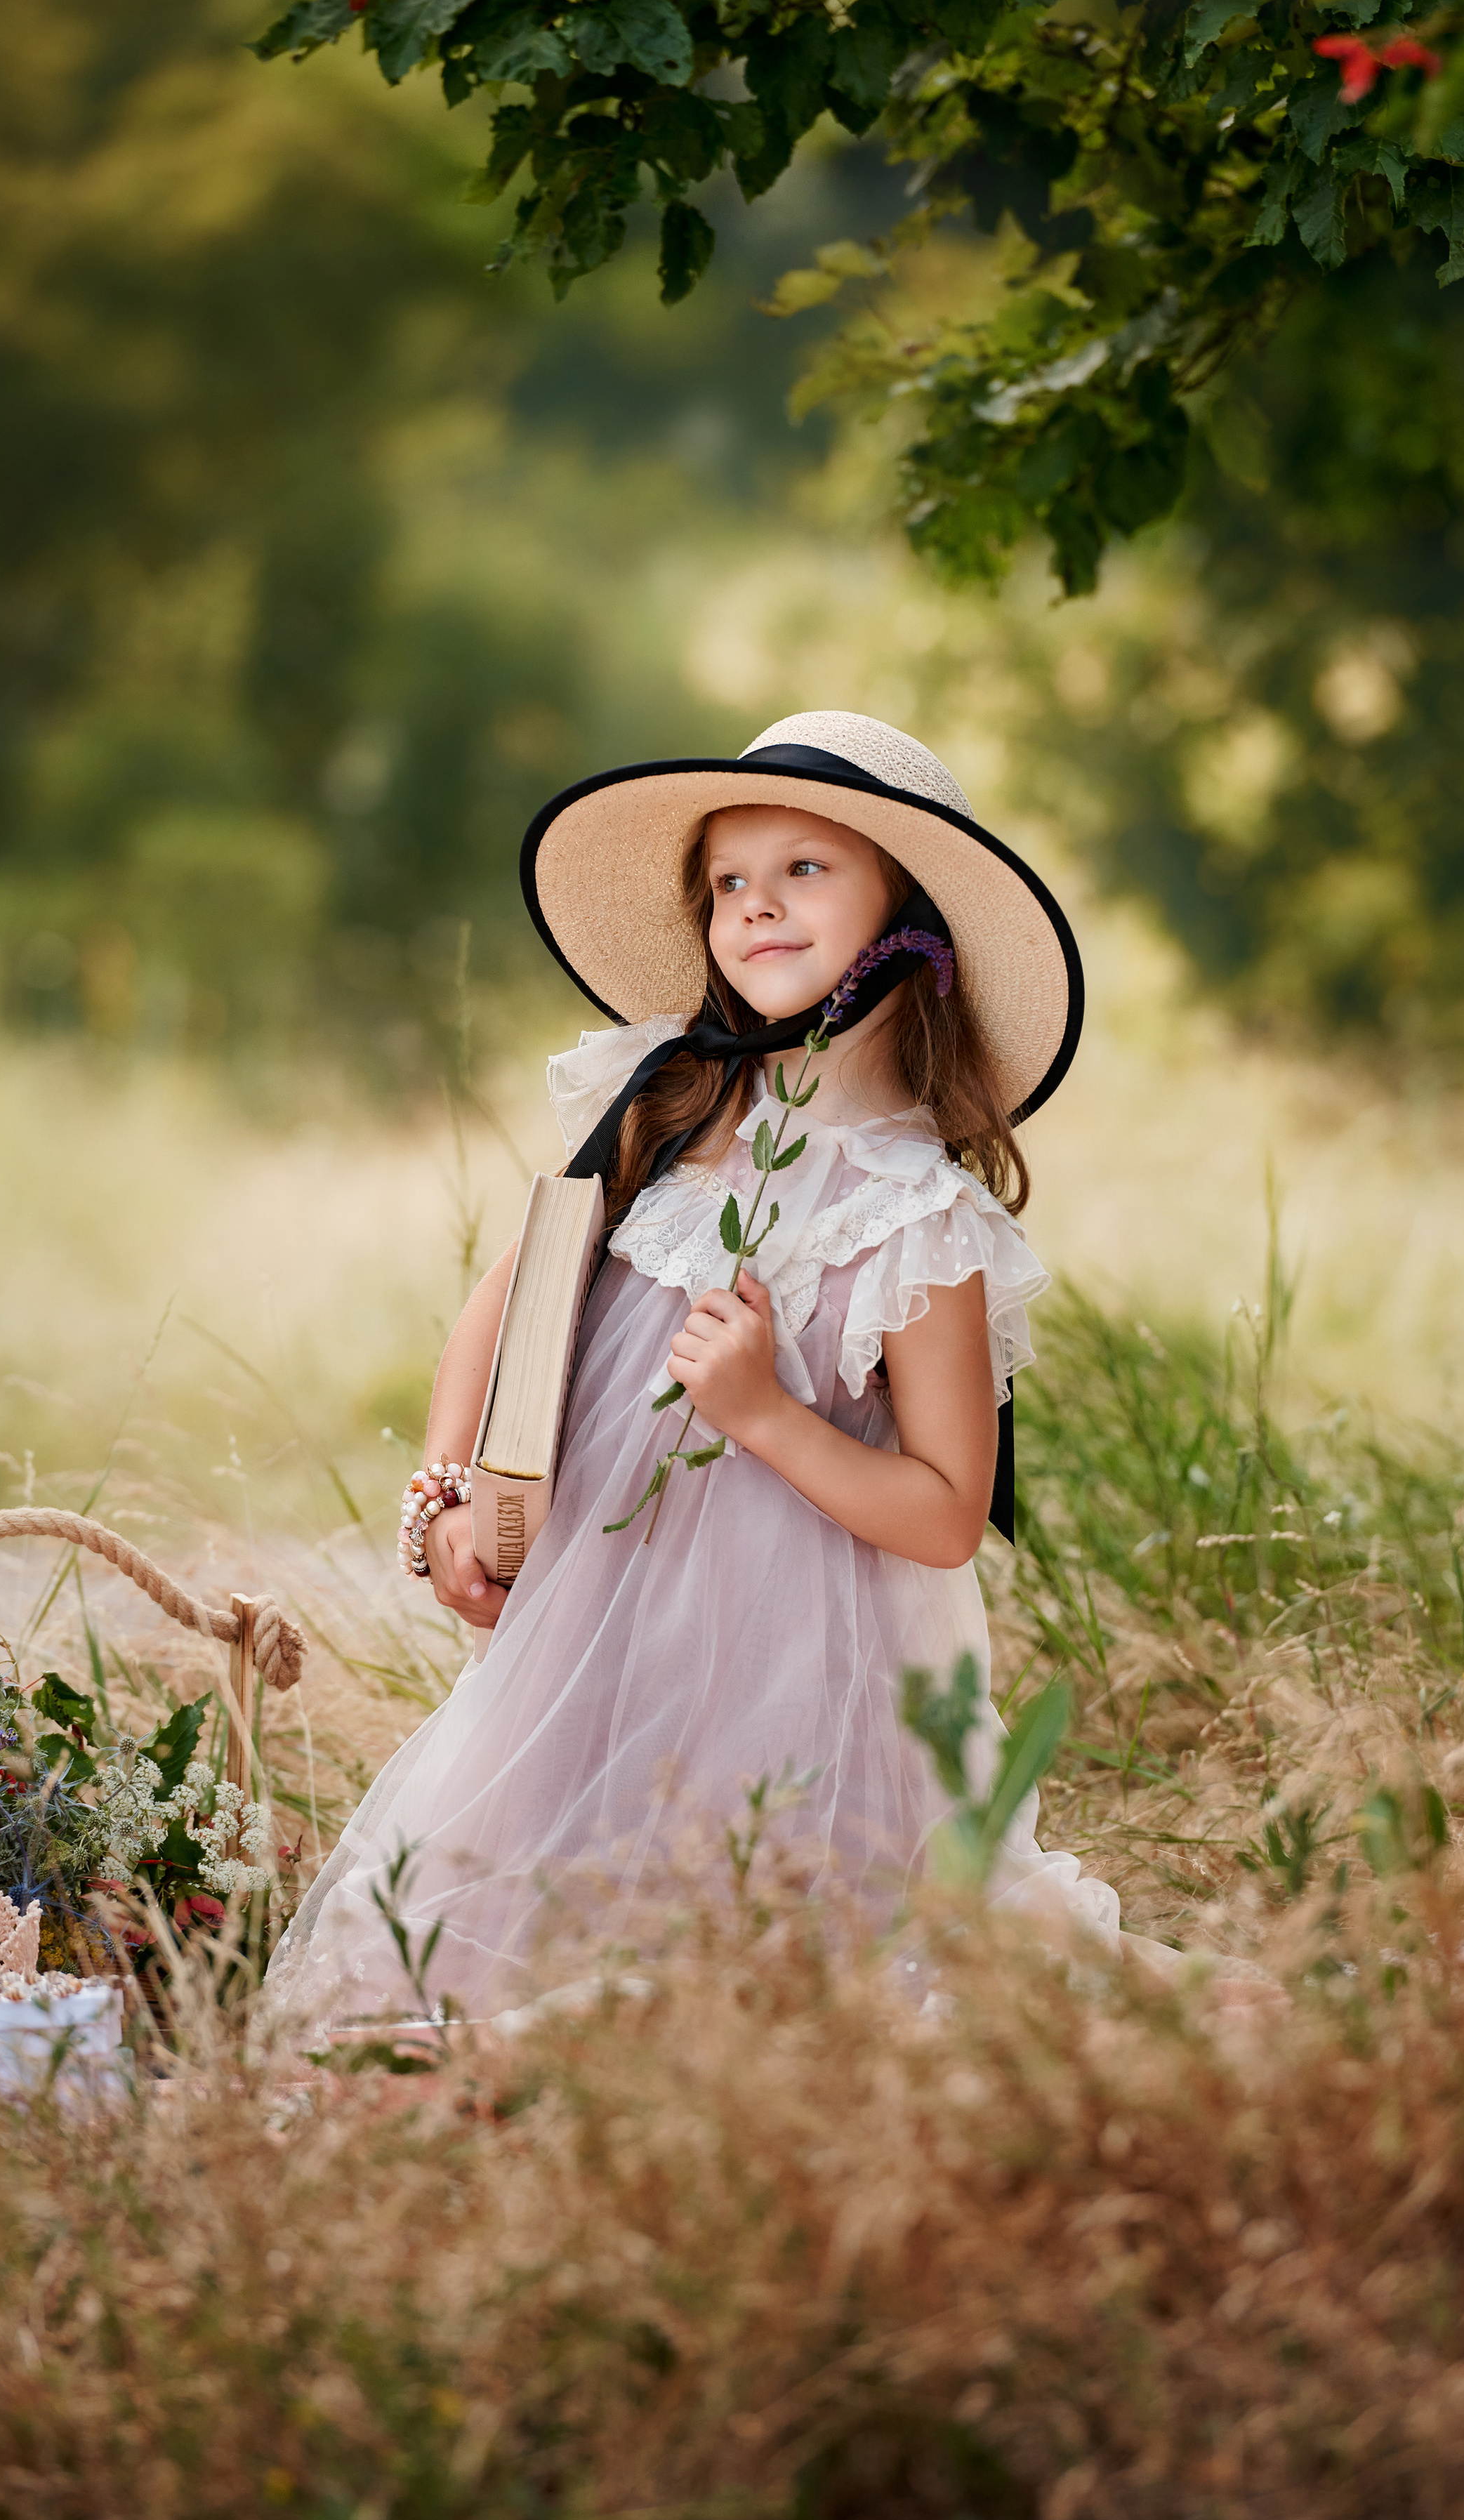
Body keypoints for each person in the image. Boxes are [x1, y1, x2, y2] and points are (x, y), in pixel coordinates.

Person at [266, 711, 1126, 2032]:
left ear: (912, 918)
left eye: (804, 871)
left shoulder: (918, 1218)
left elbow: (947, 1510)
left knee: (760, 1972)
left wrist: (765, 1415)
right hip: (590, 1633)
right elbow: (506, 1300)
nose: (756, 908)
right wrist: (445, 1492)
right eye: (729, 881)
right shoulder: (670, 1105)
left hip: (795, 1668)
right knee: (474, 1935)